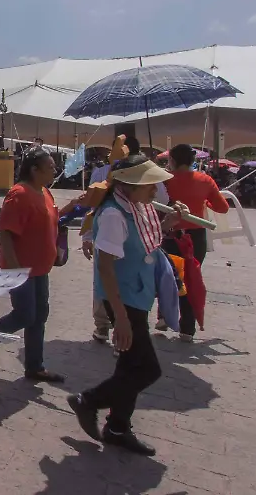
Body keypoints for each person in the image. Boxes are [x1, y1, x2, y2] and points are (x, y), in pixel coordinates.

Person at [67, 156, 189, 456]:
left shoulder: (138, 207)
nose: (155, 190)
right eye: (150, 184)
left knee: (129, 366)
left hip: (138, 293)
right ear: (129, 184)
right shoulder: (112, 214)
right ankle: (89, 401)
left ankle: (118, 427)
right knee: (147, 369)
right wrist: (119, 318)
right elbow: (105, 267)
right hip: (122, 299)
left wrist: (170, 222)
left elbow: (147, 240)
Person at [0, 148, 81, 383]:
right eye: (50, 166)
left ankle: (35, 366)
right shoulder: (19, 194)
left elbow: (53, 218)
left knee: (39, 316)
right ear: (34, 169)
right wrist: (15, 270)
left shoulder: (44, 192)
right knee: (24, 315)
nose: (54, 170)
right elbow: (4, 232)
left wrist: (74, 205)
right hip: (20, 270)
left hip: (40, 269)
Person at [159, 143, 230, 340]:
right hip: (196, 237)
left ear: (172, 160)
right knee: (190, 277)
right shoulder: (205, 180)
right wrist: (204, 201)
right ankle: (187, 328)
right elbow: (223, 208)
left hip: (171, 235)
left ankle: (166, 316)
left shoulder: (165, 181)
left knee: (170, 277)